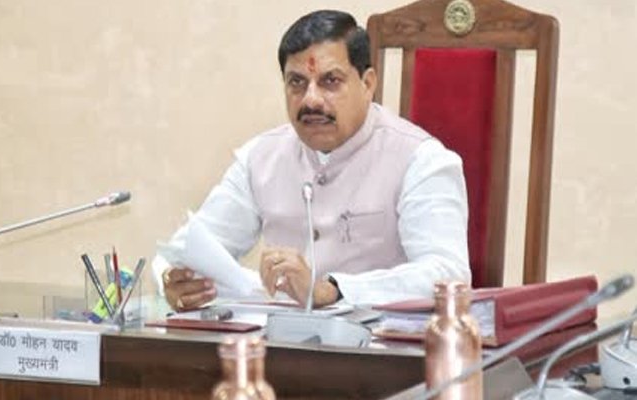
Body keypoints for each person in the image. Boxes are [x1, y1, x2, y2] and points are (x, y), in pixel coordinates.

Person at [153, 10, 470, 312]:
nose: (311, 99)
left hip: (380, 346)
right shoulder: (260, 158)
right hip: (279, 345)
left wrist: (333, 289)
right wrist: (175, 281)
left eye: (330, 81)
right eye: (297, 82)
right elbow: (184, 250)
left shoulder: (419, 159)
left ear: (368, 84)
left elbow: (447, 274)